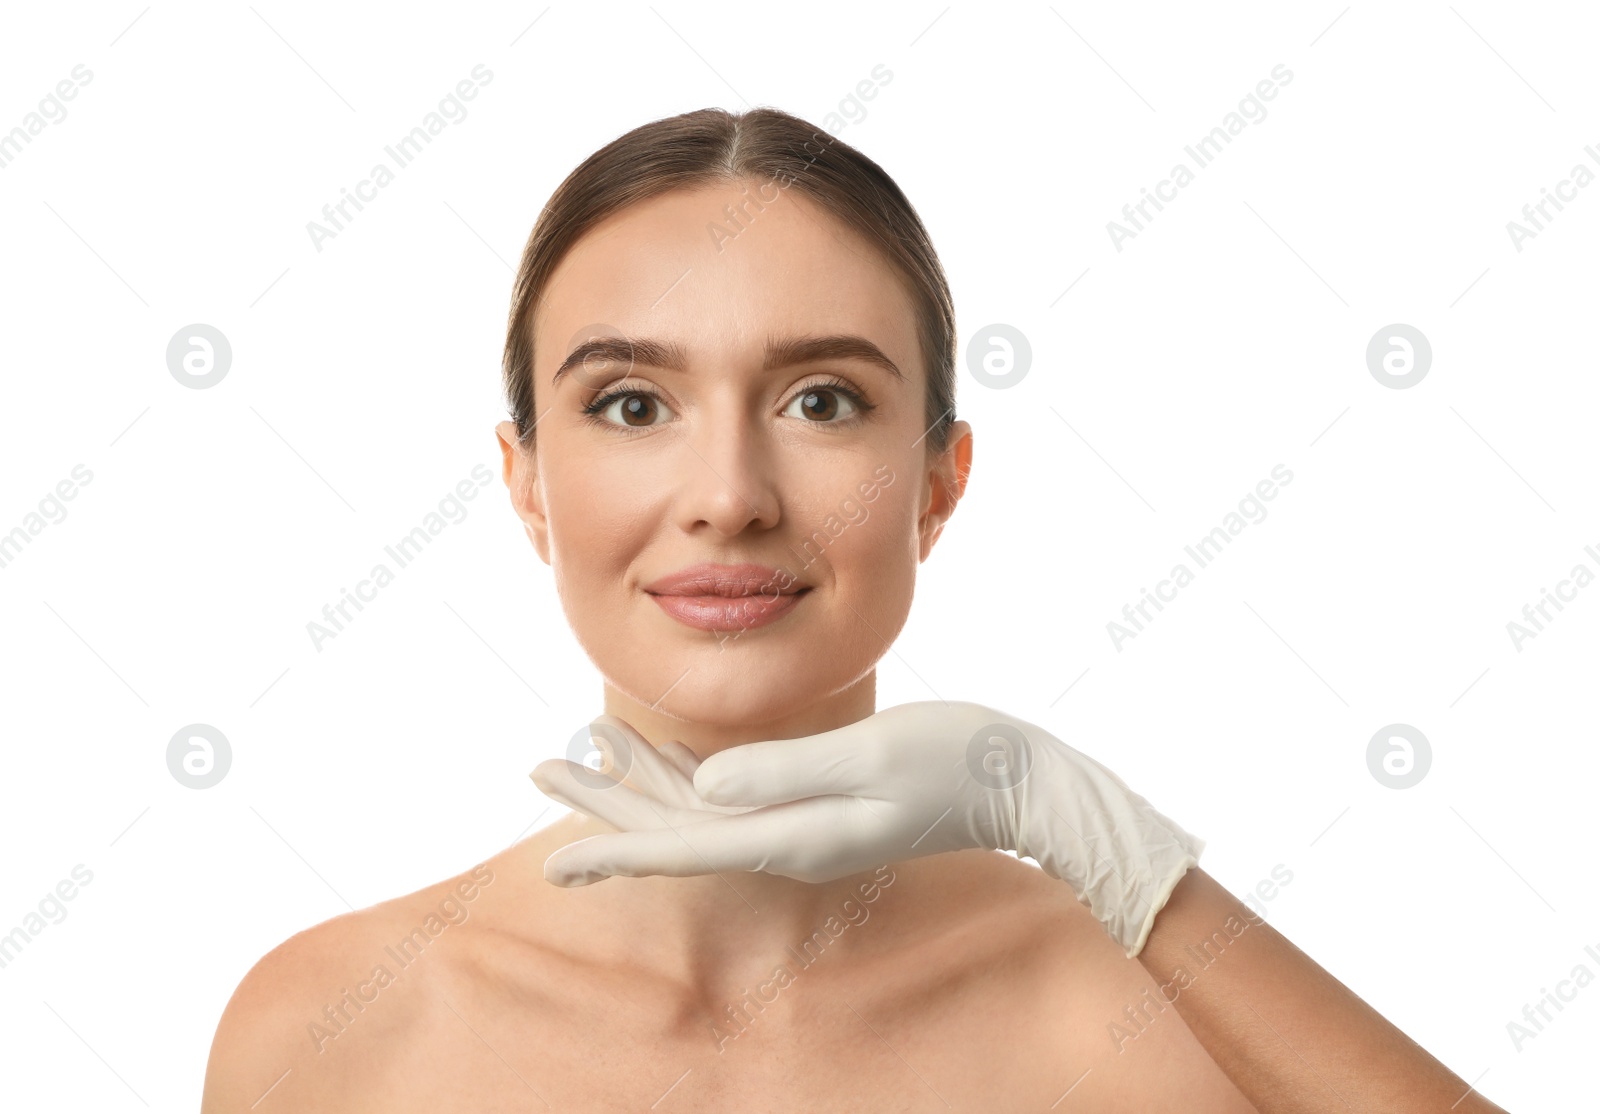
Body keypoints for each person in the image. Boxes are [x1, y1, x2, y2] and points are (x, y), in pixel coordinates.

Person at [202, 107, 1504, 1112]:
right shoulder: (336, 1030)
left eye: (820, 399)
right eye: (631, 403)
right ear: (527, 483)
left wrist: (1106, 846)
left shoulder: (1148, 1014)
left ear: (939, 483)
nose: (727, 495)